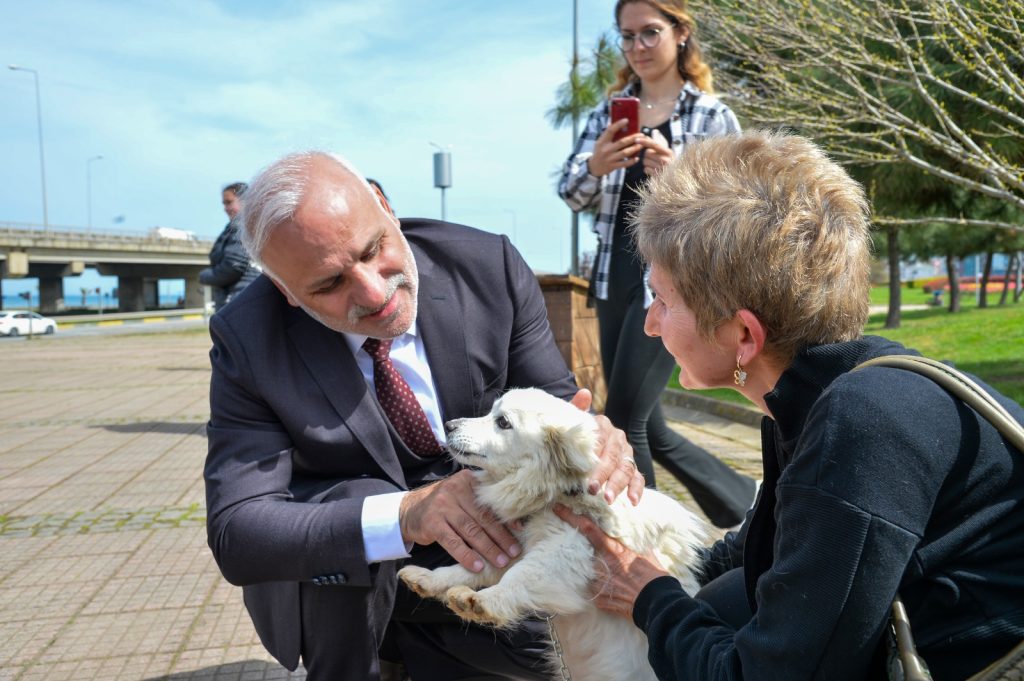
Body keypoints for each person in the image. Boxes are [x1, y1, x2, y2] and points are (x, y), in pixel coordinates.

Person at [555, 130, 1024, 680]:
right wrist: (636, 546)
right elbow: (771, 546)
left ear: (745, 336)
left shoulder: (861, 428)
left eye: (662, 299)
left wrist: (650, 596)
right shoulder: (843, 389)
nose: (650, 323)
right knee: (720, 596)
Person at [203, 150, 644, 681]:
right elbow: (238, 532)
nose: (373, 292)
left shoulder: (488, 269)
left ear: (386, 207)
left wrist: (594, 438)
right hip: (346, 597)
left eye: (374, 249)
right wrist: (407, 513)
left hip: (490, 555)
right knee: (356, 495)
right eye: (328, 285)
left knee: (543, 645)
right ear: (285, 291)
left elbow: (554, 402)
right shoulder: (247, 338)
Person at [557, 0, 755, 528]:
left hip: (671, 284)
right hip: (611, 276)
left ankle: (638, 541)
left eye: (649, 33)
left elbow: (735, 211)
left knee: (624, 416)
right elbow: (569, 192)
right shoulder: (608, 111)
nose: (637, 47)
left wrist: (678, 174)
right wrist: (597, 165)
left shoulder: (711, 115)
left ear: (680, 33)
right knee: (651, 422)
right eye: (627, 37)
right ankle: (743, 500)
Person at [199, 182, 259, 312]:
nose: (225, 208)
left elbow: (233, 266)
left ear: (244, 201)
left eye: (229, 202)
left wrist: (204, 276)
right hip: (239, 299)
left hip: (239, 301)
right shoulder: (238, 226)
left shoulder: (241, 226)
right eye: (224, 203)